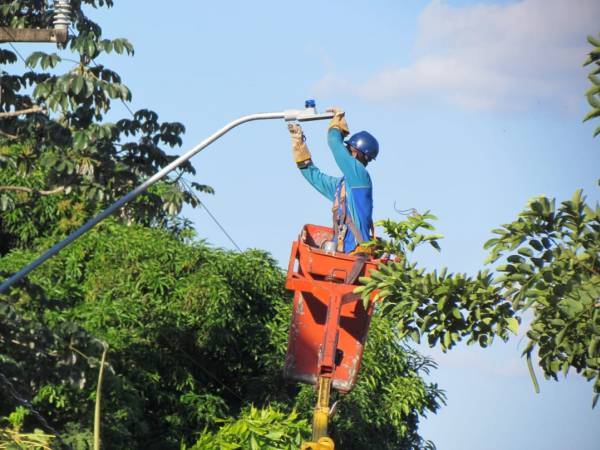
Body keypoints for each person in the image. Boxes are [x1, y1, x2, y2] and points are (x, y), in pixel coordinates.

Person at [288, 108, 379, 255]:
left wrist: (338, 123)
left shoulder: (360, 176)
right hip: (341, 256)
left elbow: (334, 144)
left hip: (357, 256)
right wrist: (299, 145)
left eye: (348, 150)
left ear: (356, 153)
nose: (346, 153)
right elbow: (314, 176)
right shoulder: (341, 187)